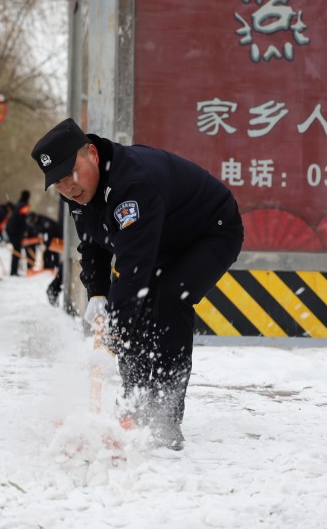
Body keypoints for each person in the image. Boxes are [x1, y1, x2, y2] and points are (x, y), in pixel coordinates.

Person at [31, 118, 243, 450]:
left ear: (91, 153)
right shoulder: (77, 192)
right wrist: (97, 293)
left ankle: (164, 417)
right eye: (57, 182)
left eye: (70, 174)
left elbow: (133, 270)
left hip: (211, 231)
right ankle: (134, 407)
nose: (68, 187)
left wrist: (113, 333)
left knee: (169, 298)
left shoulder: (135, 184)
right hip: (163, 241)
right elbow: (91, 245)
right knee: (134, 308)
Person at [6, 190, 31, 276]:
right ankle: (13, 271)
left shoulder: (18, 204)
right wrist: (24, 231)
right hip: (15, 230)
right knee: (17, 250)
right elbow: (22, 219)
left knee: (16, 250)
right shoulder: (25, 205)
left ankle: (13, 270)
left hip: (10, 228)